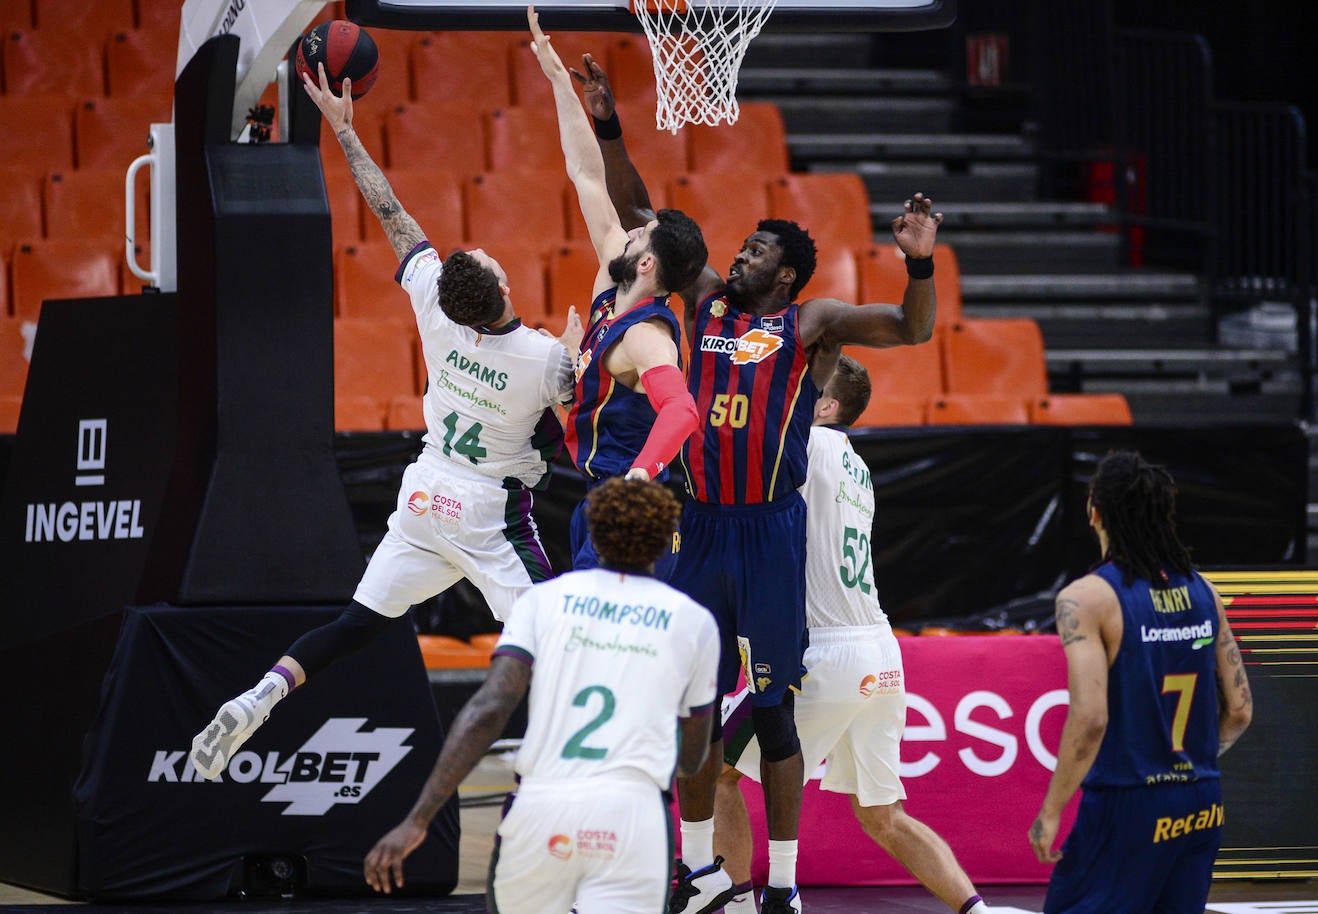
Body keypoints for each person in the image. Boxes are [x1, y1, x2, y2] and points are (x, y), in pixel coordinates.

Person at [572, 55, 945, 914]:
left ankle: (780, 886)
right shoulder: (701, 301)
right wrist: (608, 125)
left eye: (758, 252)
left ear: (787, 274)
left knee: (774, 713)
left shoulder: (809, 323)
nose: (739, 257)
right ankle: (699, 870)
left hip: (771, 531)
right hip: (702, 527)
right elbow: (641, 212)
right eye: (740, 248)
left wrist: (919, 266)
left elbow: (911, 330)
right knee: (690, 701)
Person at [189, 63, 579, 781]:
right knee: (558, 632)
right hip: (487, 511)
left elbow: (389, 209)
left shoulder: (433, 302)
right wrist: (581, 363)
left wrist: (343, 131)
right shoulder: (544, 359)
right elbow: (566, 435)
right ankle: (546, 753)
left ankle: (262, 694)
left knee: (353, 627)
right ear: (500, 287)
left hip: (424, 495)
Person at [712, 356, 991, 914]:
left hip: (827, 650)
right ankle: (977, 911)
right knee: (883, 816)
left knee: (714, 770)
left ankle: (739, 905)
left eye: (803, 389)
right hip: (881, 653)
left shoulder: (808, 448)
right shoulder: (857, 467)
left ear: (827, 406)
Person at [363, 477, 720, 912]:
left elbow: (488, 710)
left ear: (594, 535)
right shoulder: (693, 621)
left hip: (543, 804)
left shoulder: (543, 602)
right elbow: (691, 759)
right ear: (667, 540)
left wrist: (419, 818)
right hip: (632, 812)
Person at [1028, 450, 1254, 913]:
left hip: (1128, 802)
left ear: (1094, 511)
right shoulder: (1204, 590)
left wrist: (1051, 811)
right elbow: (1240, 711)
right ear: (1164, 515)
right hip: (1201, 801)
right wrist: (1188, 767)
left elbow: (1090, 719)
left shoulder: (1086, 599)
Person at [529, 10, 707, 574]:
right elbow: (585, 174)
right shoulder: (613, 290)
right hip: (597, 498)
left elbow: (681, 409)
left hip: (632, 507)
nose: (628, 230)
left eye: (639, 233)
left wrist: (641, 473)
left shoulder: (648, 335)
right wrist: (559, 81)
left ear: (648, 261)